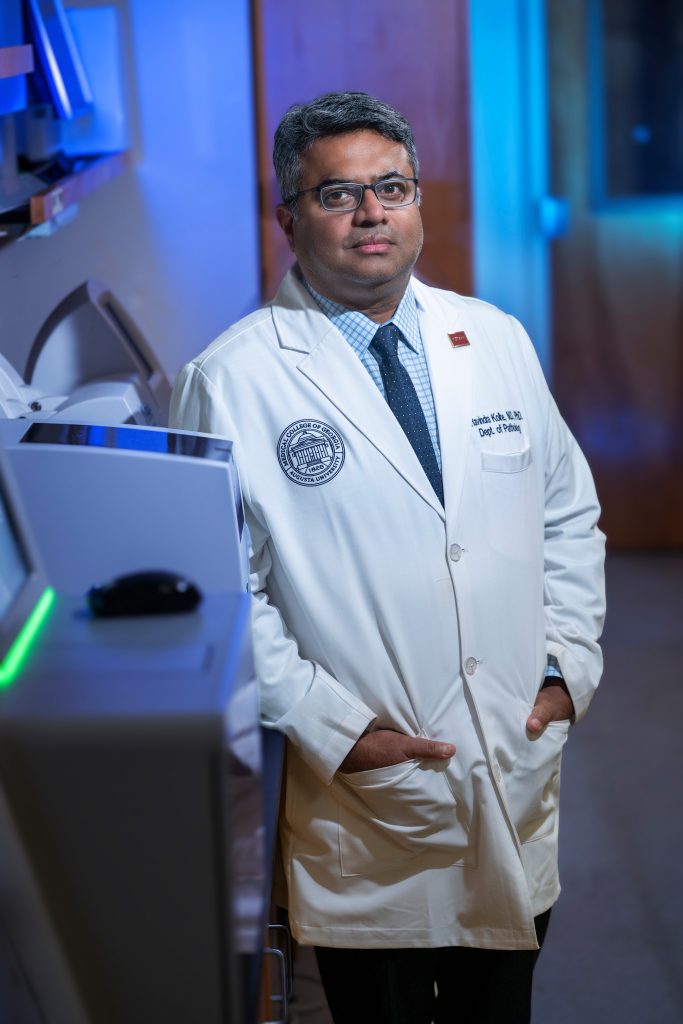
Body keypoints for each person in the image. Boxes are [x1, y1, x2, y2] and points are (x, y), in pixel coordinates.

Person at [170, 91, 605, 1024]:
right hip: (369, 798)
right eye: (337, 195)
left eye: (391, 187)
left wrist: (567, 665)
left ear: (417, 203)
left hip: (513, 760)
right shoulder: (233, 378)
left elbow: (567, 512)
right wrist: (336, 731)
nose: (371, 215)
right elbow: (224, 595)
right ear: (288, 217)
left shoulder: (492, 338)